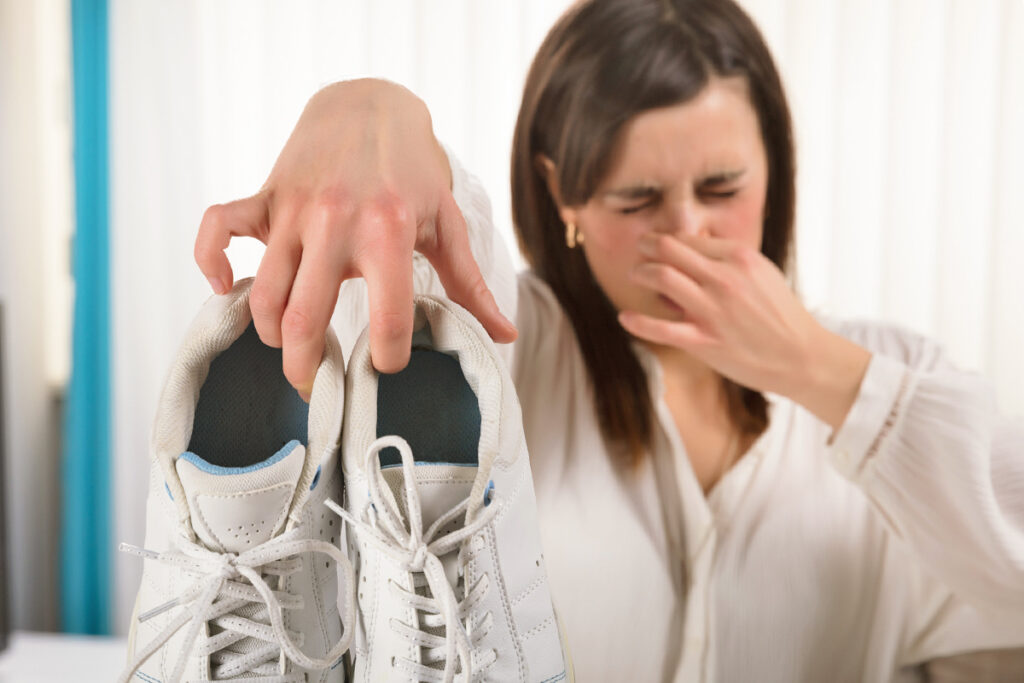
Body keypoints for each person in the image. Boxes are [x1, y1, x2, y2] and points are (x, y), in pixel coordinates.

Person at [193, 0, 1024, 680]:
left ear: (776, 166)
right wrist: (366, 107)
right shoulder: (520, 351)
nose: (689, 231)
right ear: (566, 197)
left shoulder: (894, 377)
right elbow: (429, 237)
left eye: (723, 186)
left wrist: (815, 367)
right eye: (638, 200)